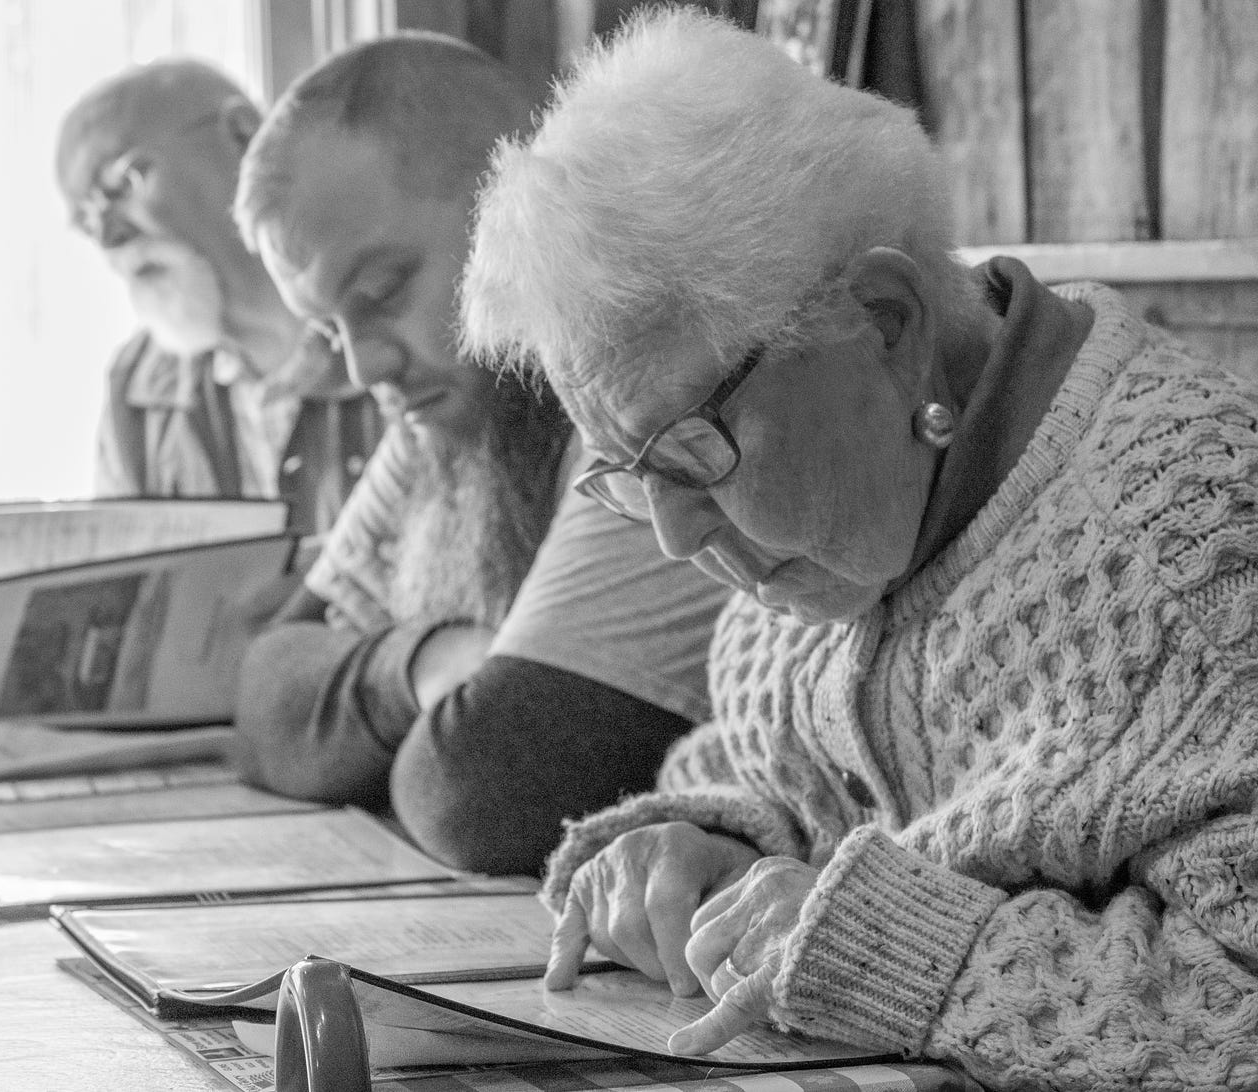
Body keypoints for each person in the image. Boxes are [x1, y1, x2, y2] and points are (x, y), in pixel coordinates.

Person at [459, 8, 1258, 1090]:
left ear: (883, 322)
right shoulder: (832, 536)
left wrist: (910, 957)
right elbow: (784, 772)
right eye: (628, 472)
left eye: (692, 449)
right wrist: (713, 847)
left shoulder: (1193, 555)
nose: (671, 532)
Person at [229, 32, 732, 877]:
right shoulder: (439, 411)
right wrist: (423, 665)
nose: (363, 368)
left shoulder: (647, 387)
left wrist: (370, 719)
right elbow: (263, 692)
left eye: (383, 292)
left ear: (510, 208)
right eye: (326, 328)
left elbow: (488, 786)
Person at [55, 59, 379, 531]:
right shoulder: (135, 389)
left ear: (245, 135)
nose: (107, 237)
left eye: (124, 183)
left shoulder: (393, 321)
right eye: (85, 220)